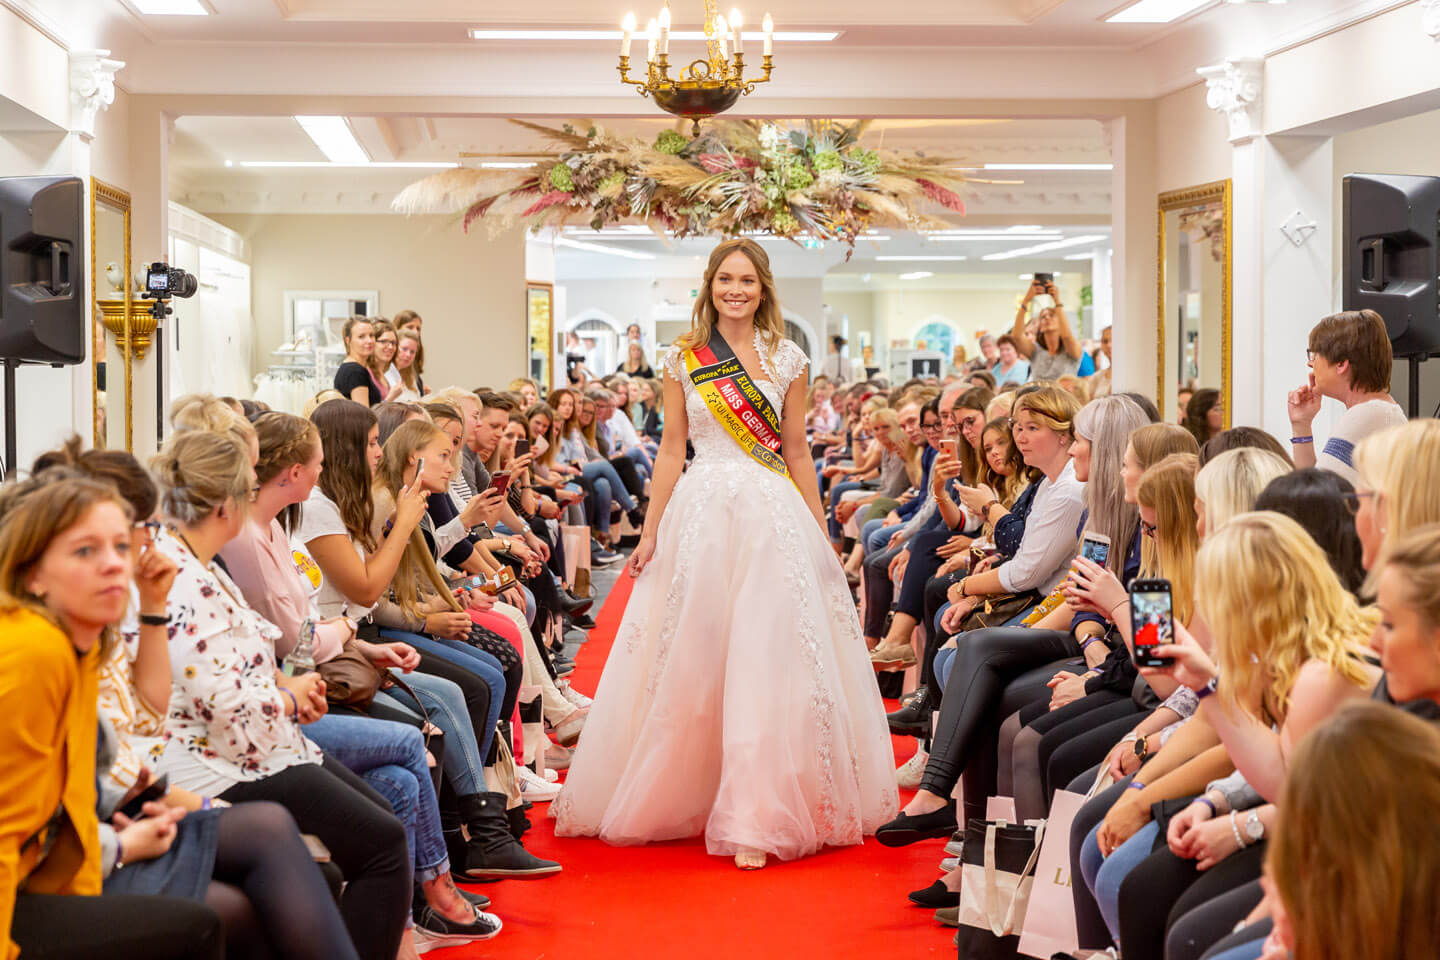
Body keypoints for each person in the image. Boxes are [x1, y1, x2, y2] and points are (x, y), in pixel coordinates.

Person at [553, 238, 898, 870]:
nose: (734, 290)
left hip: (771, 515)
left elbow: (795, 450)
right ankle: (693, 789)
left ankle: (756, 811)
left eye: (745, 280)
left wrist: (820, 532)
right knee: (695, 653)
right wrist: (651, 528)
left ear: (763, 288)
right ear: (709, 287)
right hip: (702, 512)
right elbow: (670, 448)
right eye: (723, 280)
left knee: (766, 657)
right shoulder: (685, 358)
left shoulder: (788, 358)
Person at [1287, 308, 1407, 484]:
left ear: (1341, 364)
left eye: (1315, 354)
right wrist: (1301, 425)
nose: (1310, 363)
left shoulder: (1366, 414)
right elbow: (1312, 492)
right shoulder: (1378, 412)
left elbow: (1315, 499)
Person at [1010, 277, 1083, 379]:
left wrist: (1057, 300)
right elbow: (1016, 337)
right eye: (1043, 317)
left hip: (1062, 395)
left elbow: (1066, 336)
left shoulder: (1070, 351)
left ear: (1060, 323)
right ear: (1039, 326)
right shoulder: (1035, 351)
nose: (1047, 317)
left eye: (1052, 315)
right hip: (1038, 394)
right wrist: (1026, 300)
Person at [334, 317, 384, 407]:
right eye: (361, 337)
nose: (369, 341)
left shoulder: (351, 367)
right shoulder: (355, 371)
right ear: (348, 340)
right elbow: (364, 416)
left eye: (371, 335)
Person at [393, 328, 426, 401]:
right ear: (394, 348)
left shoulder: (412, 377)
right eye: (404, 349)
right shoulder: (384, 375)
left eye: (412, 352)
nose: (408, 355)